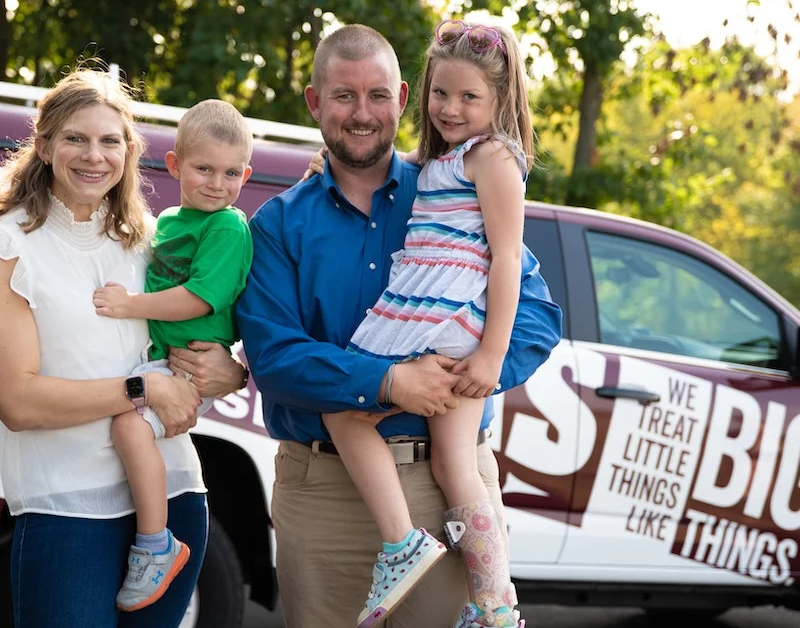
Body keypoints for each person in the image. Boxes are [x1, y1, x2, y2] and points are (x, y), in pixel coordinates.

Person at [236, 23, 562, 628]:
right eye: (344, 96)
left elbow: (537, 317)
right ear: (315, 102)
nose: (362, 113)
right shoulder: (279, 223)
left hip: (444, 486)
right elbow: (274, 359)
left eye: (378, 95)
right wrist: (390, 383)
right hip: (323, 491)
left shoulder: (453, 189)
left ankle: (494, 605)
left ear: (403, 98)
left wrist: (464, 376)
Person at [0, 67, 249, 628]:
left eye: (110, 141)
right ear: (43, 146)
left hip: (175, 499)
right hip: (68, 511)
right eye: (75, 138)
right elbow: (19, 403)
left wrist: (232, 371)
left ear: (129, 152)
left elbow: (216, 313)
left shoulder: (150, 239)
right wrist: (142, 388)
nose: (94, 156)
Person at [90, 99, 254, 611]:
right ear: (175, 165)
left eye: (231, 173)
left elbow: (200, 298)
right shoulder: (166, 221)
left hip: (190, 365)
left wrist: (128, 305)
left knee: (129, 427)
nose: (217, 184)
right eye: (204, 169)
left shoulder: (226, 227)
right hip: (161, 358)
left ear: (246, 176)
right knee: (117, 426)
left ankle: (156, 544)